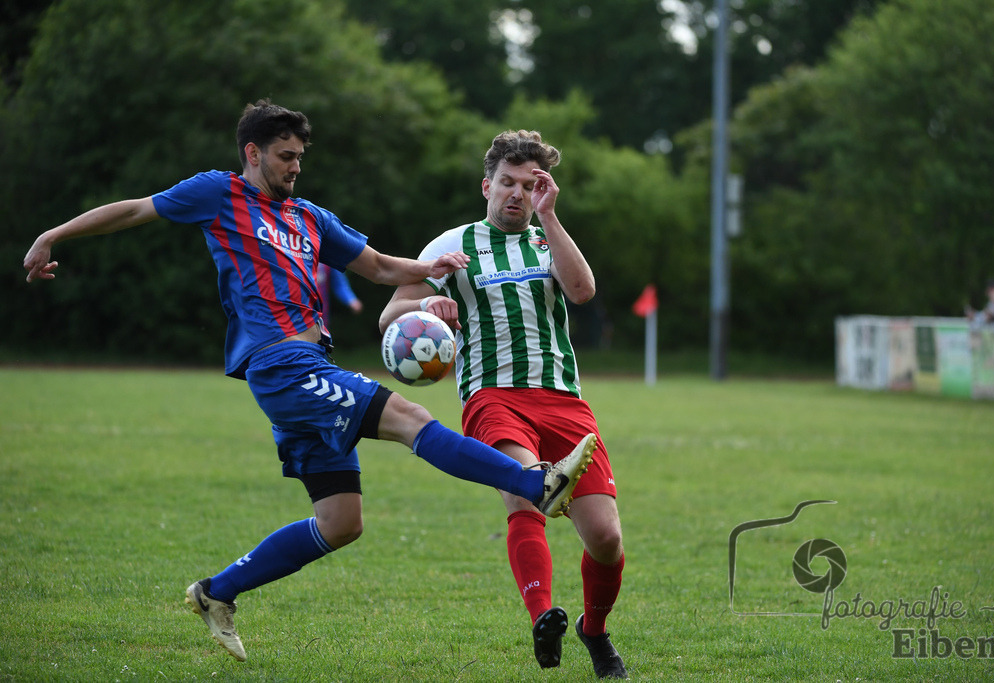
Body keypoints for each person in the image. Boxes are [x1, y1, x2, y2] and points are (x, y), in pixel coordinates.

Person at [22, 101, 596, 663]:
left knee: (341, 522)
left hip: (306, 368)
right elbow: (134, 211)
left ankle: (215, 592)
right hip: (283, 365)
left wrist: (428, 271)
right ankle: (534, 483)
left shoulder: (309, 216)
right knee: (410, 420)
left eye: (299, 156)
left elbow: (375, 267)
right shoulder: (218, 193)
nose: (296, 166)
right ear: (253, 153)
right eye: (285, 156)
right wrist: (54, 235)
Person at [380, 130, 628, 679]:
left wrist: (552, 217)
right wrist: (429, 304)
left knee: (606, 539)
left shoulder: (548, 241)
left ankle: (595, 629)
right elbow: (388, 316)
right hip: (492, 396)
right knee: (527, 489)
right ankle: (544, 618)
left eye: (530, 184)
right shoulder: (453, 245)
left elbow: (583, 292)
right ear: (487, 185)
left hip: (564, 399)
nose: (518, 193)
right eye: (509, 183)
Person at [317, 264, 363, 328]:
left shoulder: (327, 257)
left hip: (321, 317)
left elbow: (339, 283)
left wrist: (351, 299)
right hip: (300, 317)